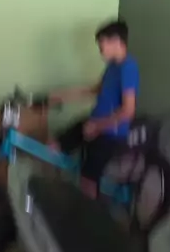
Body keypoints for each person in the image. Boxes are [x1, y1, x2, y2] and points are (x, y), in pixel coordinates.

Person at [50, 19, 140, 197]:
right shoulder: (112, 67)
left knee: (87, 182)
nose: (99, 48)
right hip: (94, 122)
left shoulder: (128, 68)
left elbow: (128, 111)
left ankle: (88, 213)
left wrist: (97, 126)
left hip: (110, 134)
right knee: (54, 145)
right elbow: (94, 90)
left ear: (116, 41)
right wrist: (62, 95)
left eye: (102, 43)